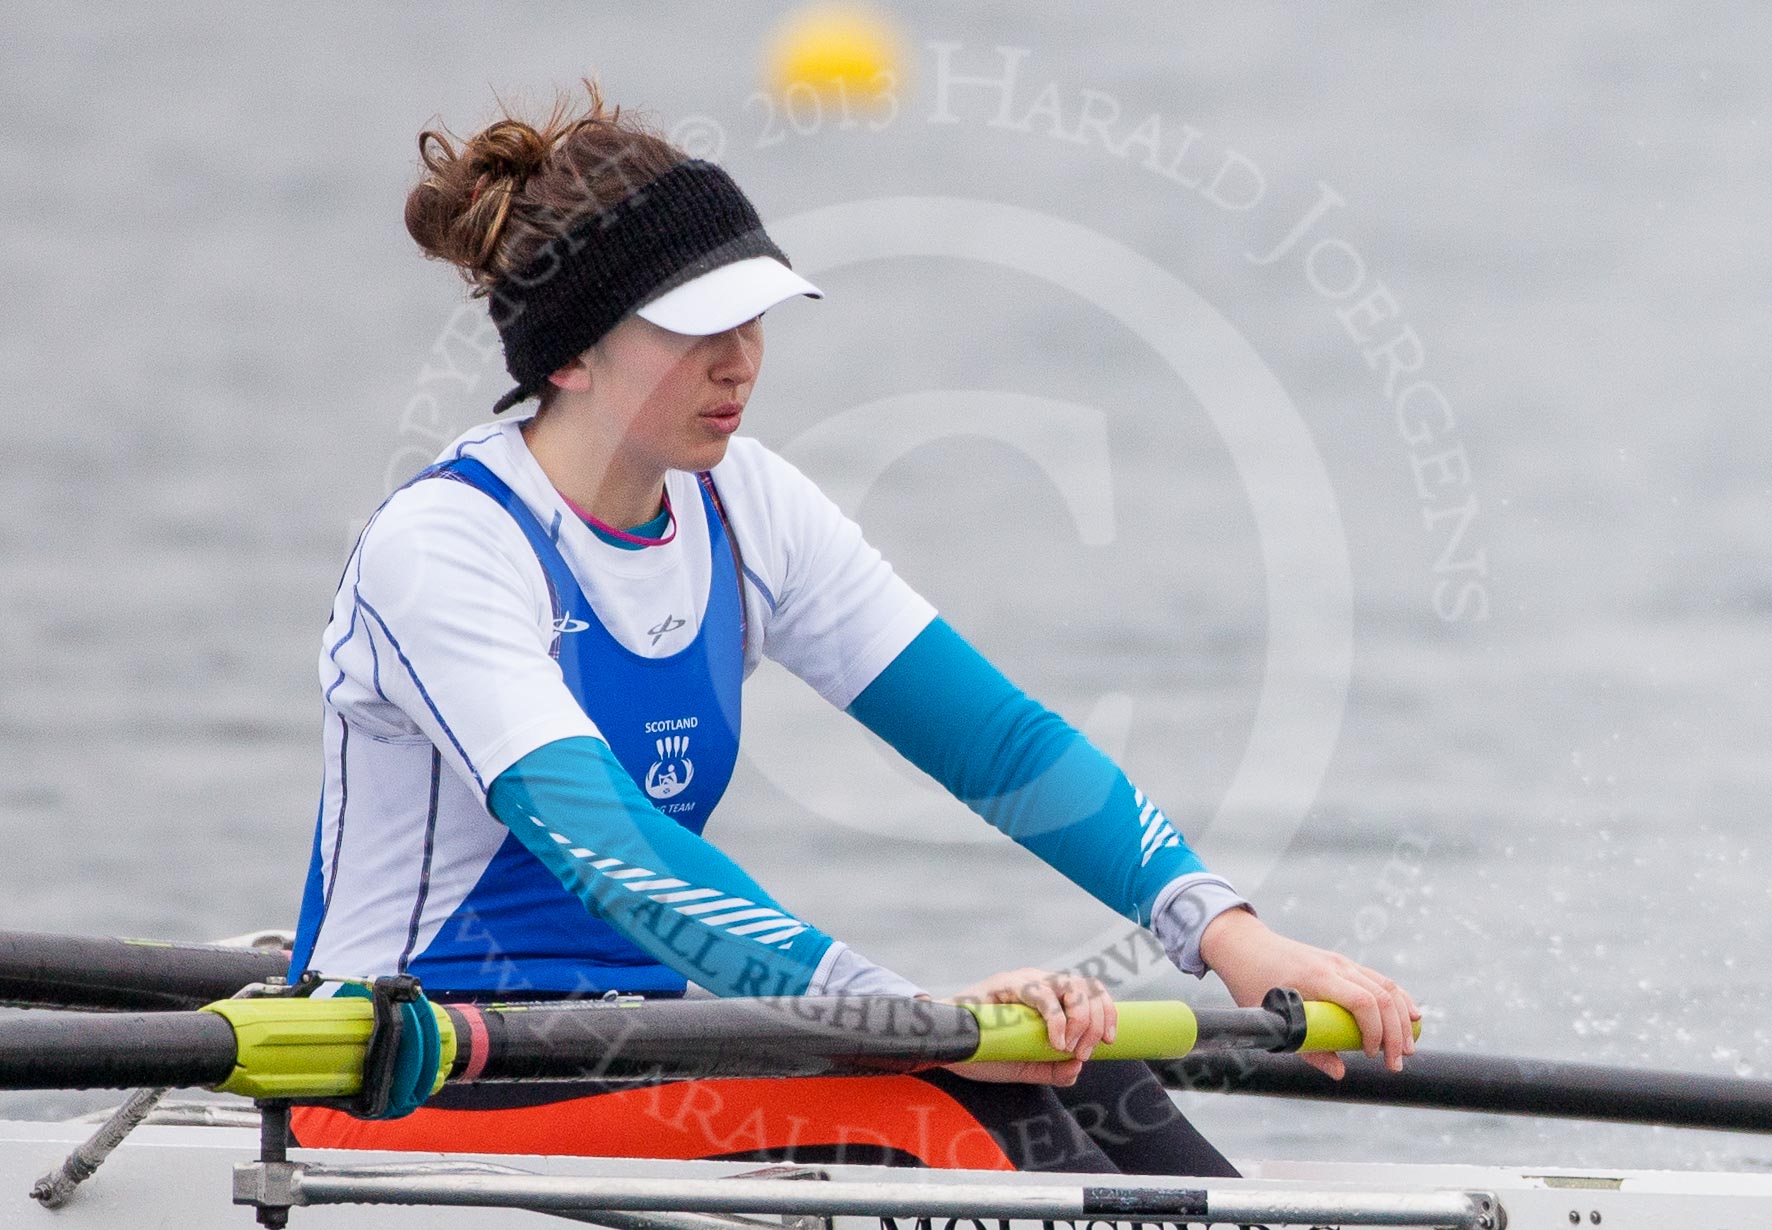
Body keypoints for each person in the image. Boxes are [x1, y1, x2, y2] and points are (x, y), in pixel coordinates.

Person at [284, 83, 1417, 1174]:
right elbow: (612, 853)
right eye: (694, 330)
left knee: (1087, 1076)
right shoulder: (447, 548)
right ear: (571, 355)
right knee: (943, 1106)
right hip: (403, 1082)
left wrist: (1227, 935)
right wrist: (903, 1015)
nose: (739, 363)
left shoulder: (744, 504)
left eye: (754, 318)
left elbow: (1001, 746)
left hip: (637, 1053)